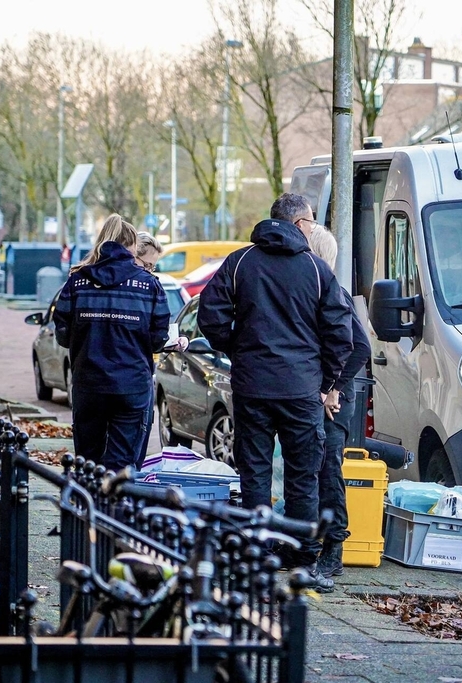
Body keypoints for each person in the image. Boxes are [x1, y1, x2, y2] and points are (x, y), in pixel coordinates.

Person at [197, 193, 353, 592]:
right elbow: (341, 333)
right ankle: (304, 557)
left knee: (255, 472)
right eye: (312, 221)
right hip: (301, 390)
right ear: (299, 224)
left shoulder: (240, 262)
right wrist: (324, 381)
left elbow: (209, 316)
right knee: (304, 475)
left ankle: (257, 552)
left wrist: (237, 348)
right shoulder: (315, 269)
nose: (314, 228)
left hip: (252, 386)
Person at [54, 215, 171, 471]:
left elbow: (62, 332)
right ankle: (115, 496)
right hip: (131, 385)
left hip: (89, 383)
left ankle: (88, 497)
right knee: (122, 466)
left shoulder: (77, 281)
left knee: (88, 462)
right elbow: (158, 338)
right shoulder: (149, 285)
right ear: (132, 247)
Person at [305, 225, 372, 578]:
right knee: (316, 473)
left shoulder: (335, 293)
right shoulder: (318, 290)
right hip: (320, 396)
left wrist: (333, 388)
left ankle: (334, 548)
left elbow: (360, 347)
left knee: (329, 473)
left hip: (333, 402)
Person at [133, 231, 188, 467]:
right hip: (135, 380)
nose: (149, 272)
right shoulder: (148, 289)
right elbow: (154, 337)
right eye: (146, 265)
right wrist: (164, 341)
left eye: (153, 267)